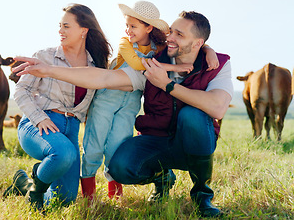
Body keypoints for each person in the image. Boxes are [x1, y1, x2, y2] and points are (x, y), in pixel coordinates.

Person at [13, 11, 232, 217]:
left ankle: (202, 195)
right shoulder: (153, 64)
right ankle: (161, 175)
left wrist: (169, 85)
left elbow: (217, 107)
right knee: (113, 169)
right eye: (171, 31)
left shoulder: (217, 64)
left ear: (198, 44)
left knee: (193, 115)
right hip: (158, 141)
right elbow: (104, 78)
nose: (170, 37)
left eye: (178, 34)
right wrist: (49, 70)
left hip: (193, 145)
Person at [80, 1, 219, 201]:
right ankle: (89, 198)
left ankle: (115, 197)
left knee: (116, 146)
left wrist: (208, 51)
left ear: (149, 27)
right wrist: (175, 68)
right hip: (108, 96)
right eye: (127, 25)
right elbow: (139, 64)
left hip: (130, 103)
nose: (127, 30)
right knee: (94, 145)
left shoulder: (159, 47)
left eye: (133, 26)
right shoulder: (124, 42)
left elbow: (193, 41)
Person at [3, 4, 112, 211]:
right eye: (59, 26)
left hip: (70, 129)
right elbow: (21, 90)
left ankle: (24, 183)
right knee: (64, 154)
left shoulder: (95, 66)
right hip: (38, 124)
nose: (60, 31)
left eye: (66, 26)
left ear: (84, 30)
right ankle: (35, 194)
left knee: (64, 200)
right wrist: (39, 118)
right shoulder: (45, 56)